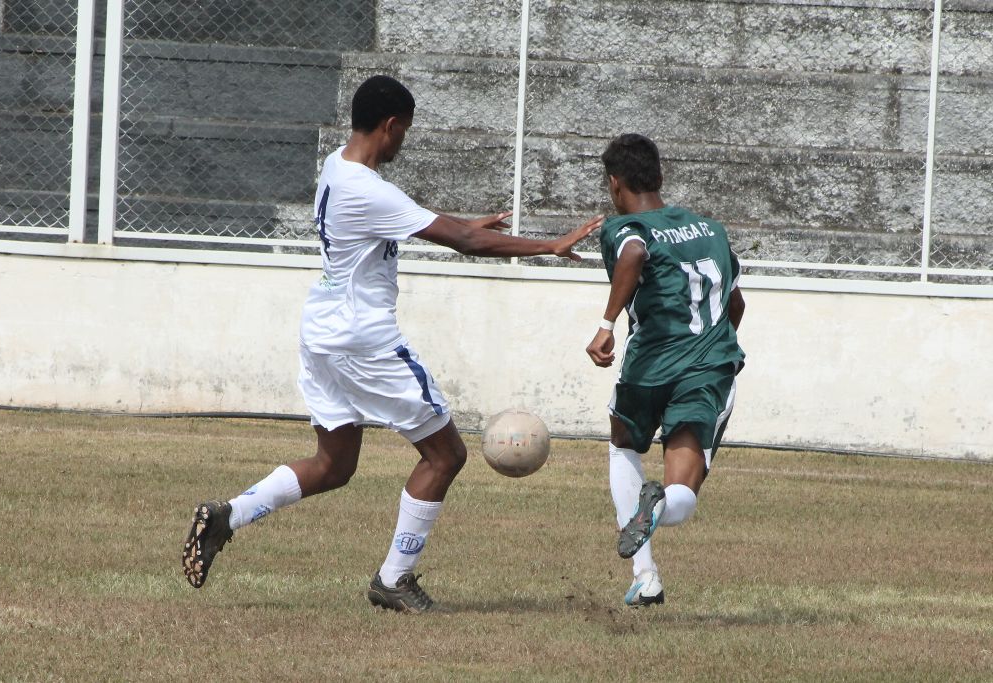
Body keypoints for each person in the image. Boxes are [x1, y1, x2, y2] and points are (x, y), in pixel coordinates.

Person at [182, 74, 603, 613]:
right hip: (364, 341)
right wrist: (550, 244)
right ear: (391, 125)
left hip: (322, 335)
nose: (403, 141)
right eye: (404, 132)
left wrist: (457, 226)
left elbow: (401, 229)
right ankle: (394, 579)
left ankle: (227, 516)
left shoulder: (337, 165)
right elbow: (466, 242)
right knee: (446, 454)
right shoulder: (369, 187)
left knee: (334, 466)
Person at [585, 133, 745, 606]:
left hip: (649, 364)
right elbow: (735, 301)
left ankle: (646, 574)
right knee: (681, 489)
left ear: (615, 183)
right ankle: (656, 513)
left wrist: (606, 325)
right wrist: (715, 346)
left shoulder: (624, 226)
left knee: (622, 445)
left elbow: (634, 252)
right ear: (659, 175)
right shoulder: (711, 230)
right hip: (706, 368)